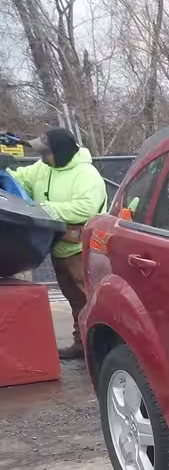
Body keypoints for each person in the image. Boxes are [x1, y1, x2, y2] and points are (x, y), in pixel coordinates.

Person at [8, 128, 108, 359]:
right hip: (61, 245)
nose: (42, 157)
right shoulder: (43, 168)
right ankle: (82, 345)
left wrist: (46, 210)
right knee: (75, 300)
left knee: (90, 300)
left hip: (83, 248)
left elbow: (86, 207)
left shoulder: (86, 174)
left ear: (61, 152)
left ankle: (102, 347)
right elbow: (21, 178)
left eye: (47, 153)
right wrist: (7, 171)